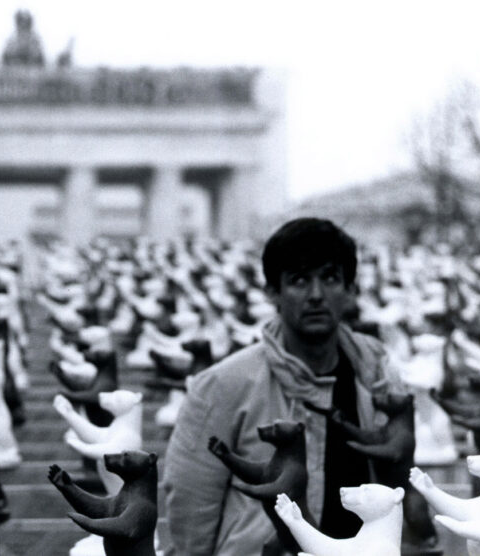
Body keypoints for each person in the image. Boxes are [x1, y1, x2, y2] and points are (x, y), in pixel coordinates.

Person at [163, 217, 400, 556]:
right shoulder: (222, 386)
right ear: (272, 291)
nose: (316, 295)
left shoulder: (377, 375)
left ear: (350, 290)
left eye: (330, 278)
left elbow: (397, 489)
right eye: (299, 280)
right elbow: (191, 511)